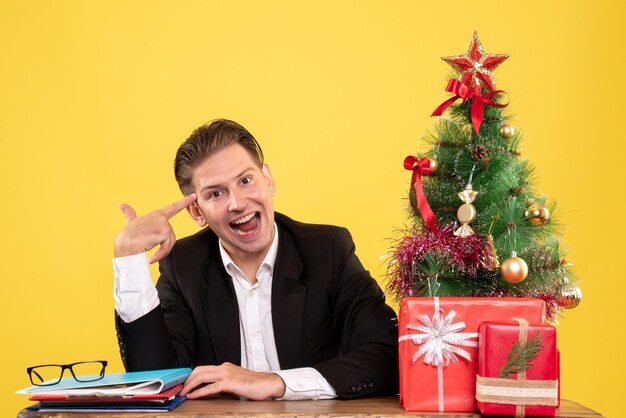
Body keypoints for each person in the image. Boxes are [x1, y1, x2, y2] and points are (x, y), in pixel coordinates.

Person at [113, 119, 398, 401]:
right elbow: (154, 381)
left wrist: (276, 382)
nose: (237, 203)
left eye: (245, 181)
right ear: (197, 213)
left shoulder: (328, 251)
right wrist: (129, 258)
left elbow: (385, 355)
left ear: (268, 180)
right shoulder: (182, 266)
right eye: (216, 193)